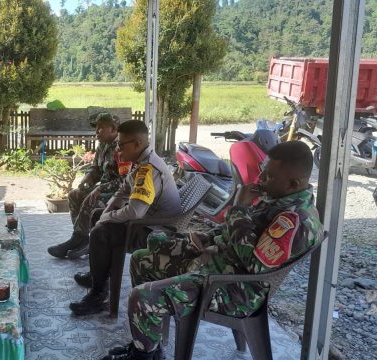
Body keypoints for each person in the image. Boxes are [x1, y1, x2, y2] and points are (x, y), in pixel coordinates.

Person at [102, 141, 324, 360]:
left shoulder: (296, 220)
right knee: (142, 259)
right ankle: (149, 346)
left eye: (269, 176)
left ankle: (142, 356)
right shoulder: (277, 198)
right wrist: (210, 237)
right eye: (262, 172)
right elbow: (239, 233)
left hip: (234, 288)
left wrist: (239, 208)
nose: (260, 180)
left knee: (143, 296)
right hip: (217, 266)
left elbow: (255, 265)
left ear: (294, 183)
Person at [69, 120, 182, 316]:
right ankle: (98, 275)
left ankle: (98, 296)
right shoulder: (141, 160)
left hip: (155, 231)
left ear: (137, 143)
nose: (118, 150)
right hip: (146, 221)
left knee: (100, 232)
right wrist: (108, 210)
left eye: (121, 145)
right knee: (98, 215)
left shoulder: (148, 169)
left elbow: (134, 212)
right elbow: (124, 190)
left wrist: (109, 217)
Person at [48, 112, 125, 259]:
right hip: (102, 189)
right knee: (74, 194)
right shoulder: (102, 146)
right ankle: (81, 238)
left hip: (119, 194)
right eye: (96, 127)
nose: (96, 132)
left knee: (90, 200)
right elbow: (95, 169)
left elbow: (125, 181)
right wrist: (87, 180)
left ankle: (78, 239)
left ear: (113, 129)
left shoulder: (121, 148)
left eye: (101, 128)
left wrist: (100, 188)